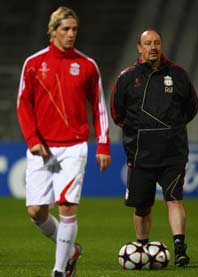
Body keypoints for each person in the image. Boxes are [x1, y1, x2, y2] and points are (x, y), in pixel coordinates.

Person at [17, 6, 111, 277]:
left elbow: (99, 107)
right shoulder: (33, 63)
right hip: (42, 148)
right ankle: (71, 249)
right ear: (52, 30)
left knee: (67, 205)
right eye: (65, 29)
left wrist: (103, 144)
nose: (71, 35)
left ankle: (59, 270)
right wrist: (33, 139)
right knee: (36, 212)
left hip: (74, 146)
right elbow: (23, 106)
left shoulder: (87, 65)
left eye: (75, 29)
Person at [111, 28, 198, 267]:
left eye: (157, 42)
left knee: (174, 199)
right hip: (141, 152)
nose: (153, 47)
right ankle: (141, 248)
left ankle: (180, 247)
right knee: (142, 206)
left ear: (161, 45)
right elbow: (117, 114)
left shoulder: (178, 75)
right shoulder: (127, 77)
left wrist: (170, 127)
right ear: (139, 48)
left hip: (173, 151)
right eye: (148, 43)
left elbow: (192, 107)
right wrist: (140, 130)